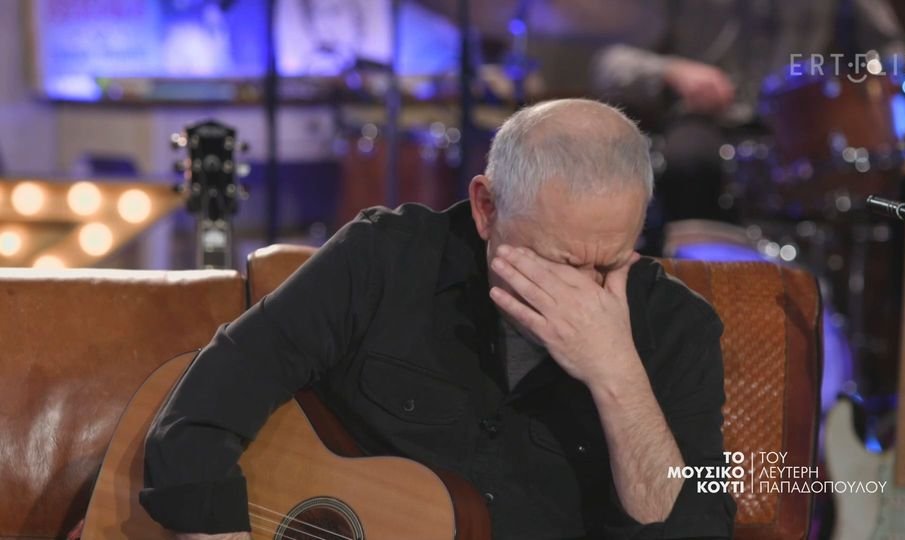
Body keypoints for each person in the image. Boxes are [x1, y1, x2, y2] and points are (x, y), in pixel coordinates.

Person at [140, 99, 735, 539]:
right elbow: (203, 410)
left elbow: (696, 529)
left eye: (608, 263)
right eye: (557, 263)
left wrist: (616, 375)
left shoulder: (679, 328)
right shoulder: (383, 258)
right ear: (486, 208)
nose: (583, 293)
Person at [591, 0, 905, 235]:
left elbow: (892, 52)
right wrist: (673, 71)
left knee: (889, 181)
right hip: (708, 121)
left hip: (802, 126)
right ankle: (691, 279)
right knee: (688, 162)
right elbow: (611, 64)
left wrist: (879, 86)